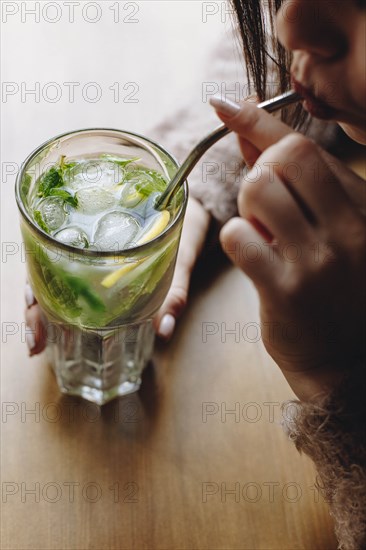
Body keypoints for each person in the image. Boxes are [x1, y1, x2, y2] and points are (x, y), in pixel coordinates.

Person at [25, 1, 365, 548]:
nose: (288, 25)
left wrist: (343, 383)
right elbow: (274, 64)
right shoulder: (312, 45)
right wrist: (197, 189)